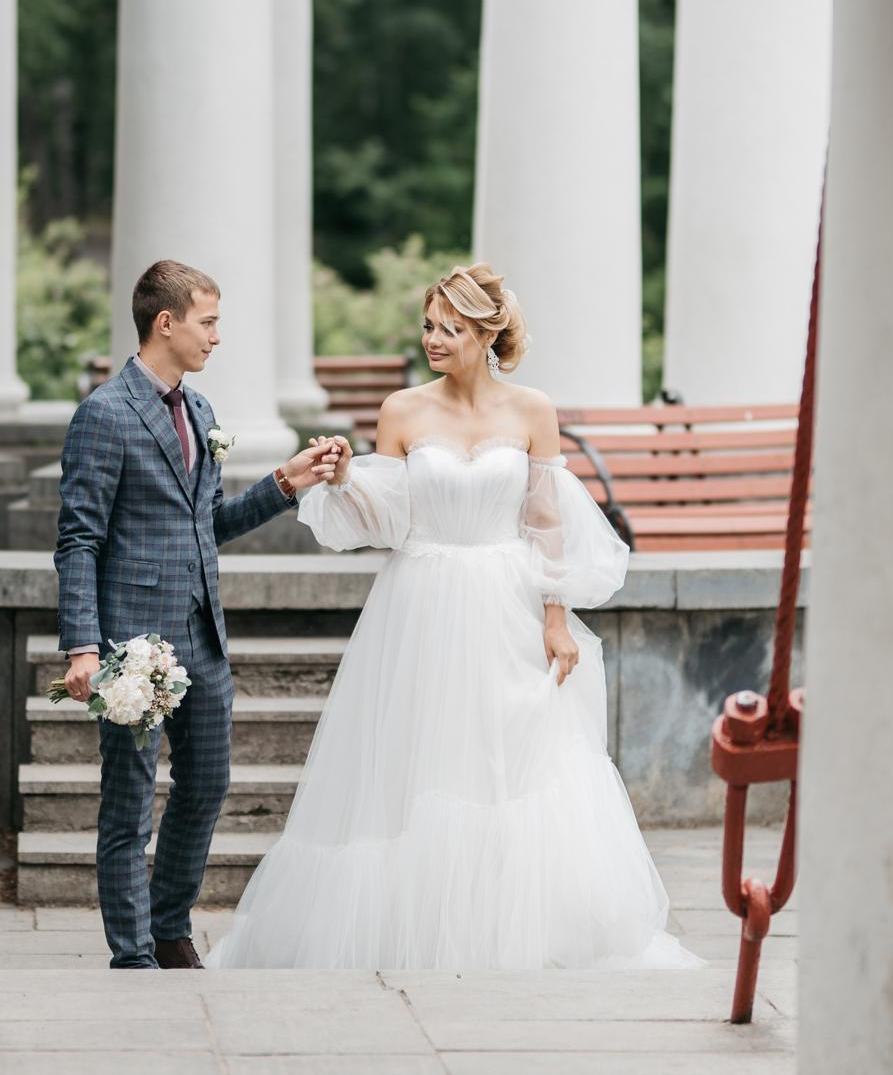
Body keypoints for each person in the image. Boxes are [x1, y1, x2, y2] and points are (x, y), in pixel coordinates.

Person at [207, 264, 702, 970]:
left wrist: (555, 617)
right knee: (419, 758)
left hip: (507, 598)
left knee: (513, 758)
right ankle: (413, 925)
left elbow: (546, 522)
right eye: (428, 325)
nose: (432, 339)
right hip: (421, 600)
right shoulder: (402, 410)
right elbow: (389, 520)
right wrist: (347, 480)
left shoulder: (532, 410)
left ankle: (512, 924)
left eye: (451, 328)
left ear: (487, 334)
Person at [53, 259, 340, 969]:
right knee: (128, 802)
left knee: (207, 785)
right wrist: (83, 646)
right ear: (166, 322)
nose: (216, 337)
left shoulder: (202, 412)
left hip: (202, 636)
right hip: (131, 641)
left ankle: (169, 925)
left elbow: (207, 522)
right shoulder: (104, 413)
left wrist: (286, 482)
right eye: (208, 323)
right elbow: (79, 538)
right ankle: (133, 954)